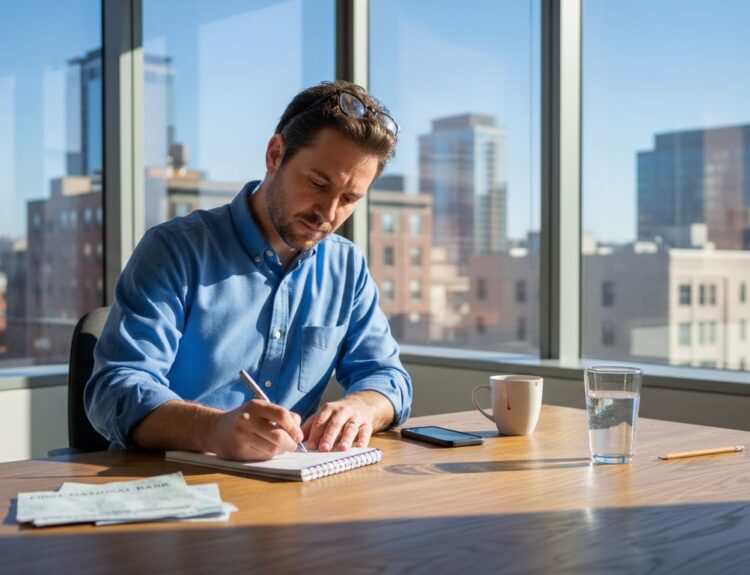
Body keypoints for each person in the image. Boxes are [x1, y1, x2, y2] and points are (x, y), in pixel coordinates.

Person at [85, 80, 412, 461]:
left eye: (350, 199)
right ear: (275, 154)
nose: (329, 212)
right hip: (168, 487)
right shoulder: (175, 250)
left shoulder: (346, 266)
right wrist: (213, 430)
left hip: (290, 493)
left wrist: (361, 408)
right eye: (317, 183)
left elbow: (389, 378)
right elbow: (115, 389)